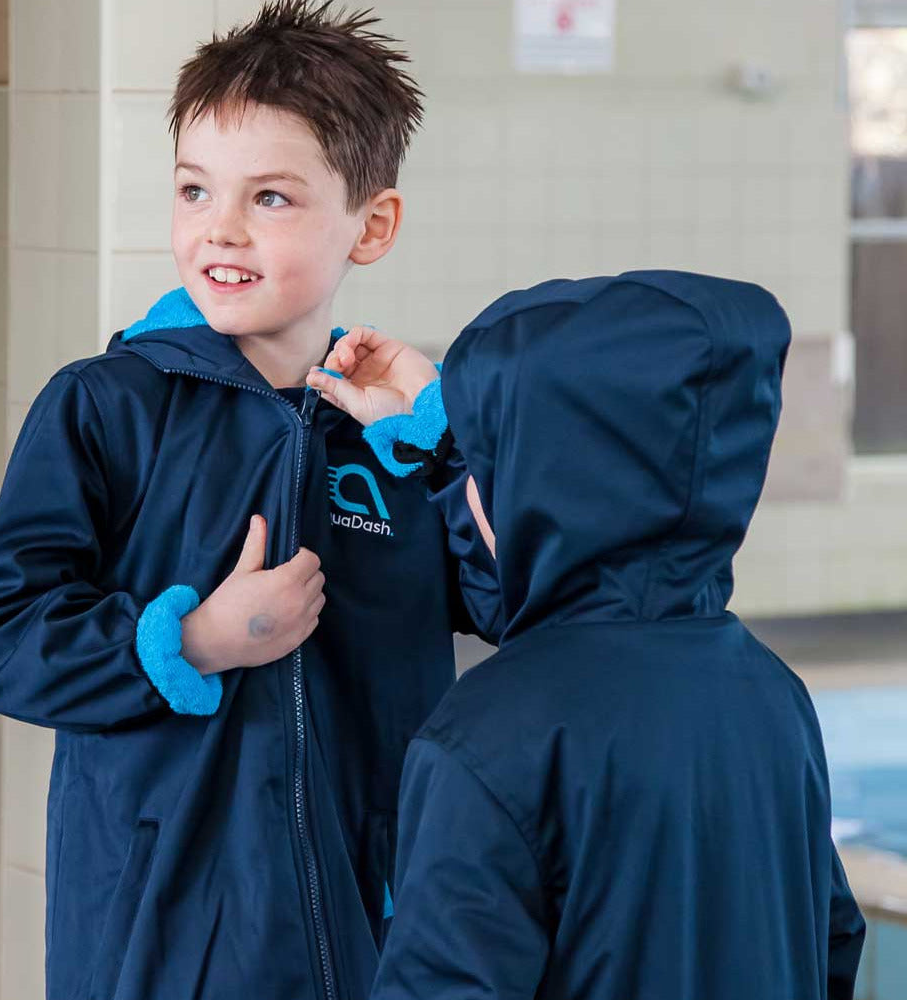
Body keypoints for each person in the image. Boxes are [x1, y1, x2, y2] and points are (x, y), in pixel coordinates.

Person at [0, 3, 499, 998]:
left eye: (272, 199)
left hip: (368, 932)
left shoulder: (389, 437)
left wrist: (440, 439)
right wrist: (190, 641)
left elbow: (510, 601)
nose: (220, 230)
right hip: (160, 938)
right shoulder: (107, 406)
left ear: (370, 225)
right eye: (195, 190)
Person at [308, 270, 866, 1000]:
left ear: (542, 488)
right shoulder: (771, 696)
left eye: (487, 458)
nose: (472, 481)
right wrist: (453, 434)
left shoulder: (488, 738)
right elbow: (831, 945)